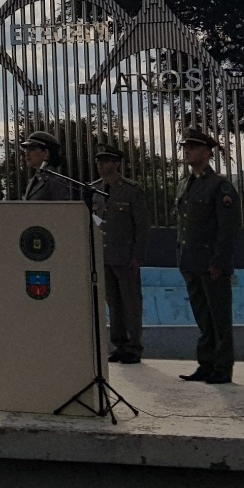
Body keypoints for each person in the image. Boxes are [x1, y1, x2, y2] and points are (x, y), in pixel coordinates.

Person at [174, 128, 239, 384]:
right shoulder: (185, 184)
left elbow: (228, 229)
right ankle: (206, 363)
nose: (187, 150)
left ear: (207, 152)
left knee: (219, 318)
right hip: (190, 262)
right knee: (202, 316)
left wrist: (219, 263)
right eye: (185, 146)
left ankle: (222, 367)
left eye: (192, 146)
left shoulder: (219, 186)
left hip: (211, 263)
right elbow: (183, 225)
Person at [94, 146, 148, 364]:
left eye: (105, 161)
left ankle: (134, 347)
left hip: (125, 256)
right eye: (98, 161)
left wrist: (137, 256)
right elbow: (94, 220)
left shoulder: (131, 190)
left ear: (116, 164)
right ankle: (119, 344)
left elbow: (142, 226)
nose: (100, 165)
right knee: (113, 303)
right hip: (104, 256)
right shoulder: (95, 189)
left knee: (131, 303)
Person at [19, 131, 73, 199]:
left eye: (32, 149)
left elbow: (61, 208)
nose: (27, 153)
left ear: (46, 153)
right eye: (25, 150)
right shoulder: (33, 181)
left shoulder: (55, 182)